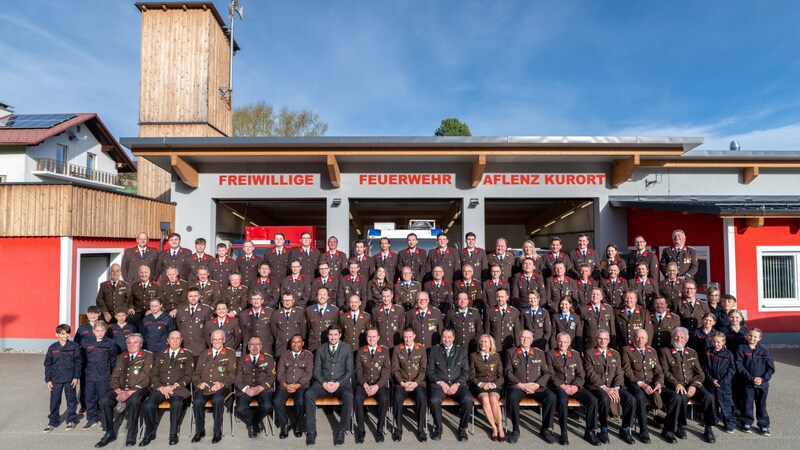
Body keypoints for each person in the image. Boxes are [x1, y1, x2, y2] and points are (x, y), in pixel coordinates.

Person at [658, 327, 717, 443]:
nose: (679, 339)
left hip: (691, 385)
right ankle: (677, 426)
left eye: (682, 337)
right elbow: (665, 371)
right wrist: (676, 384)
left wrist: (694, 385)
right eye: (676, 336)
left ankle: (708, 428)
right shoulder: (664, 351)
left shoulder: (691, 352)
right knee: (681, 397)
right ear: (672, 337)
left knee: (709, 397)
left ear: (686, 340)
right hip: (673, 385)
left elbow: (700, 374)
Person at [95, 333, 153, 448]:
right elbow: (114, 376)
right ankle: (109, 432)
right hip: (121, 389)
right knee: (104, 401)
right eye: (129, 343)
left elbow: (146, 378)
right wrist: (117, 389)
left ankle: (131, 432)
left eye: (135, 342)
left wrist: (129, 392)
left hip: (139, 389)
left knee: (134, 400)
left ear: (140, 344)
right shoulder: (122, 356)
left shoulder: (147, 356)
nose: (132, 345)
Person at [139, 330, 194, 446]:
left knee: (177, 404)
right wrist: (160, 387)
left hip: (176, 389)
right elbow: (153, 374)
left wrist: (174, 386)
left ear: (181, 340)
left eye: (177, 338)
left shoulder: (187, 355)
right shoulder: (159, 354)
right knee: (148, 405)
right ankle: (149, 432)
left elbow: (189, 375)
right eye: (172, 338)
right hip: (160, 388)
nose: (175, 341)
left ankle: (173, 433)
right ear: (168, 341)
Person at [583, 329, 636, 445]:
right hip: (597, 387)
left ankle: (625, 429)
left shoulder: (615, 354)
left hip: (614, 387)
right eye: (600, 338)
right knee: (604, 399)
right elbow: (590, 374)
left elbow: (619, 373)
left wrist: (616, 388)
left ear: (609, 340)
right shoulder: (589, 353)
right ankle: (604, 429)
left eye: (605, 339)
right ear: (596, 339)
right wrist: (606, 388)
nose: (602, 341)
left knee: (631, 399)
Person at [546, 332, 600, 446]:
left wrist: (575, 386)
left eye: (565, 342)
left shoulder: (575, 354)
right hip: (559, 386)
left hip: (574, 386)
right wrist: (563, 386)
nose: (562, 344)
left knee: (593, 400)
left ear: (569, 343)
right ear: (556, 341)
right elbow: (550, 374)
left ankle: (590, 431)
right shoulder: (550, 354)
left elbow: (581, 373)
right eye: (560, 341)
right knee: (562, 400)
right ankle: (564, 432)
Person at [304, 325, 354, 446]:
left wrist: (338, 383)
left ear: (340, 335)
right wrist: (324, 383)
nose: (333, 337)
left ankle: (342, 430)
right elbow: (316, 371)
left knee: (348, 395)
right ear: (327, 335)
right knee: (308, 394)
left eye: (335, 334)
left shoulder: (347, 348)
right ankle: (311, 431)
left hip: (340, 383)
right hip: (323, 382)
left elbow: (349, 371)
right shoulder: (321, 349)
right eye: (330, 335)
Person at [504, 330, 556, 444]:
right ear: (519, 338)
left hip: (536, 386)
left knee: (551, 397)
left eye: (528, 338)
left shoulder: (539, 353)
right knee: (512, 398)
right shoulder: (511, 352)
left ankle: (545, 429)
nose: (525, 339)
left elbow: (546, 373)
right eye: (523, 337)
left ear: (532, 340)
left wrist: (537, 384)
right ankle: (516, 429)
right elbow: (508, 372)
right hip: (518, 386)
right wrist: (520, 384)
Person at [620, 328, 667, 444]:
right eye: (638, 337)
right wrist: (642, 384)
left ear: (647, 339)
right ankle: (644, 431)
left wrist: (658, 383)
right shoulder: (626, 350)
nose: (640, 340)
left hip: (652, 383)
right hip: (634, 383)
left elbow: (659, 371)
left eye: (643, 338)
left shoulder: (652, 351)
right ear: (633, 338)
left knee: (674, 396)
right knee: (640, 397)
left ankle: (669, 428)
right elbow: (627, 372)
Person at [427, 329, 473, 441]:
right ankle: (438, 429)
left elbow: (466, 372)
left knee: (468, 399)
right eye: (444, 337)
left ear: (453, 338)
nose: (446, 340)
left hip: (457, 385)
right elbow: (430, 372)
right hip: (440, 385)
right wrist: (441, 383)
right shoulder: (434, 350)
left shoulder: (461, 351)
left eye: (449, 337)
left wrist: (457, 384)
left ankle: (462, 429)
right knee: (434, 400)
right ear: (441, 337)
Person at [191, 329, 236, 444]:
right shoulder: (204, 353)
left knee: (217, 400)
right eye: (214, 339)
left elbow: (232, 374)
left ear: (224, 340)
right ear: (211, 340)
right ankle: (199, 431)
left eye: (219, 339)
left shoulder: (230, 353)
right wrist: (199, 383)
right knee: (197, 401)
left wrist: (222, 384)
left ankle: (217, 431)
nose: (217, 342)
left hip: (221, 387)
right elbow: (196, 374)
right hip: (205, 386)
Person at [353, 327, 391, 443]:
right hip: (363, 384)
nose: (371, 339)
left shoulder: (384, 351)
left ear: (378, 338)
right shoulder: (360, 351)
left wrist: (377, 386)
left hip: (379, 385)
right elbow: (358, 371)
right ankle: (360, 430)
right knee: (358, 398)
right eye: (369, 336)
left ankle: (379, 431)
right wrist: (364, 384)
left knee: (384, 398)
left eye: (374, 336)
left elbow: (386, 372)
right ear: (366, 337)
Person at [43, 324, 82, 433]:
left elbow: (78, 363)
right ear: (57, 334)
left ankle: (71, 420)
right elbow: (48, 364)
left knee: (71, 400)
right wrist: (48, 380)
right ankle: (52, 422)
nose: (66, 335)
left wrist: (76, 377)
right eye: (63, 333)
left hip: (70, 379)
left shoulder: (74, 346)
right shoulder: (52, 348)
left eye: (68, 333)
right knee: (54, 401)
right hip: (56, 379)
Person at [391, 327, 427, 442]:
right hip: (402, 383)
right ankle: (398, 428)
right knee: (397, 397)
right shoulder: (397, 349)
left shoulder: (421, 349)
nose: (407, 339)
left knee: (421, 397)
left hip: (417, 383)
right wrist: (401, 382)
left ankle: (421, 429)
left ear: (414, 336)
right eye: (405, 337)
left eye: (410, 337)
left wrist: (416, 383)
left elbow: (423, 370)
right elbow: (395, 370)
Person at [736, 328, 775, 435]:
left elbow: (770, 368)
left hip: (762, 384)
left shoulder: (764, 350)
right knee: (747, 403)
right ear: (746, 336)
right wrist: (751, 378)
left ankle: (763, 425)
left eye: (755, 337)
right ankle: (746, 422)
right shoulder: (742, 348)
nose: (752, 338)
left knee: (761, 404)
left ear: (759, 338)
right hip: (748, 383)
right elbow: (739, 365)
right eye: (750, 335)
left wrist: (762, 379)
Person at [235, 336, 275, 439]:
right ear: (248, 346)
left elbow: (272, 376)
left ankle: (252, 424)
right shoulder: (242, 360)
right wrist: (246, 389)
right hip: (246, 390)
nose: (255, 347)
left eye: (257, 344)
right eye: (252, 344)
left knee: (267, 406)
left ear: (261, 346)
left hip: (262, 389)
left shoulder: (268, 359)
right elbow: (237, 378)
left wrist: (260, 387)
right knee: (240, 409)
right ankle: (256, 422)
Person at [274, 334, 313, 439]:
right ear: (290, 343)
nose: (296, 344)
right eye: (293, 342)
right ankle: (284, 425)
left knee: (300, 401)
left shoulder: (308, 356)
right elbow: (280, 373)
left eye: (298, 342)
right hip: (285, 385)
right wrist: (285, 385)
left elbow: (309, 373)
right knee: (277, 401)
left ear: (303, 343)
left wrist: (298, 385)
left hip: (301, 386)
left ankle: (297, 425)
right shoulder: (284, 355)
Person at [80, 321, 117, 430]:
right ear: (93, 331)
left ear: (105, 331)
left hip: (103, 376)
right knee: (90, 398)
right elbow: (84, 359)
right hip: (90, 376)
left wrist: (110, 374)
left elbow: (113, 360)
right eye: (97, 331)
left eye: (102, 330)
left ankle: (104, 419)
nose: (100, 333)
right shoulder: (87, 343)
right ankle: (91, 419)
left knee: (103, 399)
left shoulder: (110, 344)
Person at [469, 335, 504, 442]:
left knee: (493, 398)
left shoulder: (496, 356)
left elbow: (501, 376)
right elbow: (471, 376)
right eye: (481, 342)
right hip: (480, 386)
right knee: (485, 399)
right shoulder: (474, 356)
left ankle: (500, 428)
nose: (482, 344)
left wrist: (493, 385)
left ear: (490, 344)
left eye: (485, 342)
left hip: (494, 385)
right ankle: (494, 427)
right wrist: (481, 384)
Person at [703, 332, 736, 434]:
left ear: (723, 342)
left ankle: (729, 424)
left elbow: (732, 369)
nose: (716, 344)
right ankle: (714, 420)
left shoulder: (728, 354)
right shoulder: (708, 353)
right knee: (713, 404)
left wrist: (723, 381)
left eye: (718, 342)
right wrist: (712, 379)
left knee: (726, 404)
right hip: (711, 383)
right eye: (714, 342)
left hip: (724, 384)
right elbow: (705, 368)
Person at [74, 306, 101, 413]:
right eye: (90, 313)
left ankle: (98, 404)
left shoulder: (103, 326)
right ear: (87, 314)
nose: (93, 315)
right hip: (85, 359)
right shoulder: (82, 328)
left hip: (99, 359)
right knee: (85, 382)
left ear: (99, 314)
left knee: (99, 382)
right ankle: (84, 404)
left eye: (95, 313)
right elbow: (76, 343)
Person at [174, 287, 213, 360]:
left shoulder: (206, 310)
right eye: (190, 296)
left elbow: (209, 329)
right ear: (187, 297)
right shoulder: (180, 310)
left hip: (201, 348)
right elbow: (179, 328)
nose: (193, 298)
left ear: (199, 296)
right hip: (185, 347)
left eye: (195, 296)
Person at [239, 291, 275, 355]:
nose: (256, 301)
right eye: (254, 299)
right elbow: (243, 332)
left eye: (258, 299)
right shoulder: (243, 315)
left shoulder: (270, 313)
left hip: (265, 346)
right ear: (250, 301)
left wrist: (270, 342)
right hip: (249, 347)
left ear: (262, 300)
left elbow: (273, 330)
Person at [305, 287, 340, 352]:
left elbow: (336, 327)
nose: (322, 297)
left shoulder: (334, 310)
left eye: (324, 294)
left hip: (327, 343)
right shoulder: (309, 310)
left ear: (328, 297)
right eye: (320, 294)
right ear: (316, 296)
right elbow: (308, 327)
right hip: (313, 344)